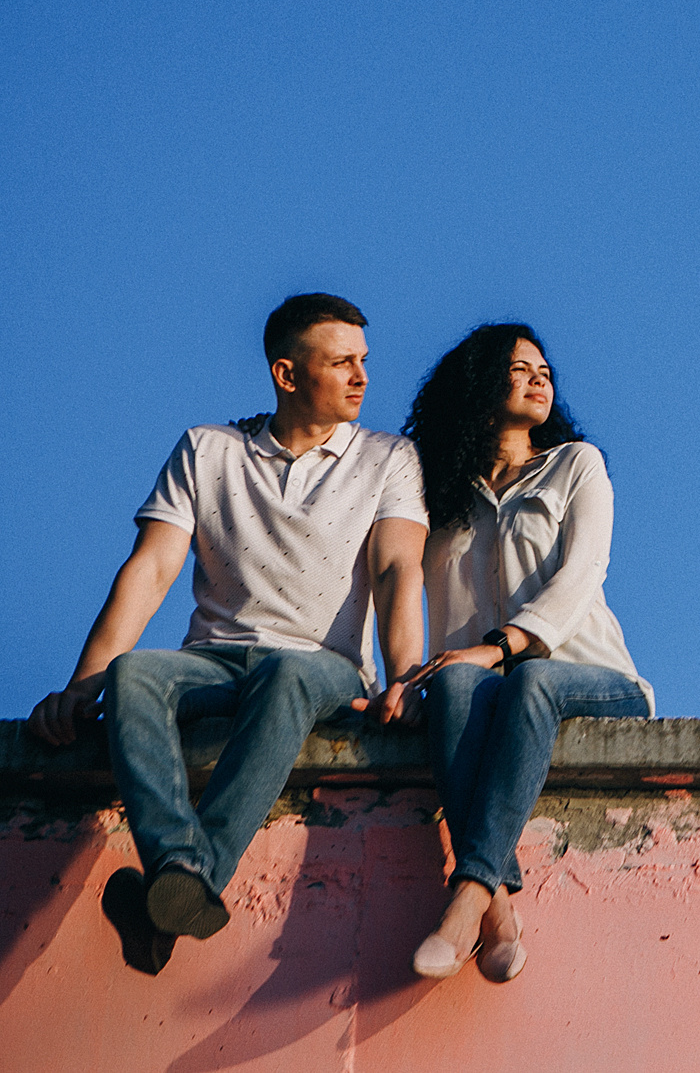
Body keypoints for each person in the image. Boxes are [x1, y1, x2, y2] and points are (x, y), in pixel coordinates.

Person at [28, 294, 429, 976]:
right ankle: (178, 876)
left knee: (287, 673)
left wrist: (407, 680)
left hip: (321, 665)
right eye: (341, 362)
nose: (362, 376)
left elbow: (397, 567)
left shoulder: (389, 457)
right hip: (212, 660)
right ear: (287, 373)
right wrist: (81, 684)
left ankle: (196, 869)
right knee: (134, 676)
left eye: (365, 361)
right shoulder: (209, 448)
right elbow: (151, 568)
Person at [378, 322, 651, 983]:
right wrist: (400, 676)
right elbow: (395, 577)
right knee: (448, 688)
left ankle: (468, 893)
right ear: (477, 382)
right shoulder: (438, 496)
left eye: (544, 369)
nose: (540, 377)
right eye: (519, 367)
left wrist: (497, 647)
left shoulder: (575, 464)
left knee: (532, 682)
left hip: (595, 678)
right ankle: (498, 914)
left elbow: (582, 573)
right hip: (482, 689)